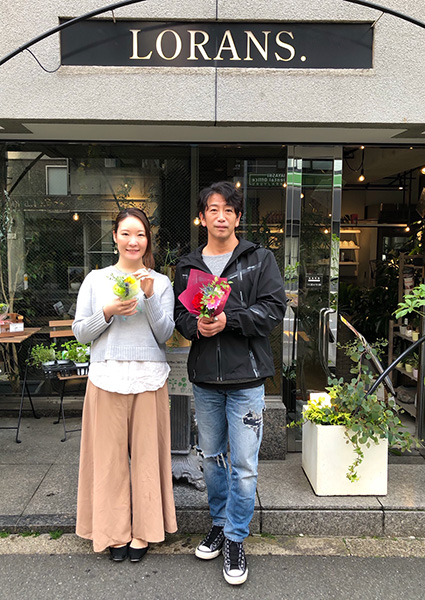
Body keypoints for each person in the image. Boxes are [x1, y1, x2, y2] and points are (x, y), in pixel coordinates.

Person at [174, 181, 286, 585]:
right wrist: (197, 327)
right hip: (205, 378)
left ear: (238, 217)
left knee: (243, 465)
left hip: (247, 379)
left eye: (228, 210)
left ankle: (237, 537)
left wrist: (229, 320)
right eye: (213, 209)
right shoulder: (187, 266)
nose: (220, 217)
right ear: (202, 217)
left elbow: (273, 309)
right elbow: (179, 317)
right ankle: (219, 524)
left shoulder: (259, 259)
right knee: (211, 459)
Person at [73, 207, 177, 562]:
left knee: (148, 460)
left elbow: (165, 334)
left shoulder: (160, 282)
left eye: (141, 234)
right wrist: (108, 311)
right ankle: (112, 531)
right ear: (115, 237)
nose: (134, 241)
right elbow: (81, 332)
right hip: (106, 376)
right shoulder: (96, 279)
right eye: (127, 233)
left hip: (149, 378)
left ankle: (144, 532)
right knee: (108, 461)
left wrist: (148, 296)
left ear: (148, 240)